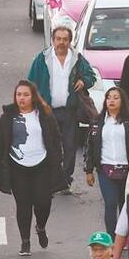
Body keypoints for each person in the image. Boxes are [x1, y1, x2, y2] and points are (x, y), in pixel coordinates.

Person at [0, 80, 66, 256]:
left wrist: (58, 158)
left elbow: (55, 138)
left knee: (43, 202)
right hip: (17, 167)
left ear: (32, 96)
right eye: (19, 95)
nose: (22, 98)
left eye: (25, 95)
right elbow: (0, 144)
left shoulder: (44, 115)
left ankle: (40, 227)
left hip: (41, 164)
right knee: (23, 205)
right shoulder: (7, 117)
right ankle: (25, 241)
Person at [28, 24, 97, 190]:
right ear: (52, 40)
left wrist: (83, 81)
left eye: (65, 39)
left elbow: (91, 76)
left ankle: (65, 179)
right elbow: (31, 83)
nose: (61, 42)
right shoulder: (41, 59)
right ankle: (52, 179)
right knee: (49, 146)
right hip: (47, 111)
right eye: (58, 39)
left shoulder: (77, 58)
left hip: (69, 111)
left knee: (70, 147)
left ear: (70, 41)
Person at [85, 87, 129, 236]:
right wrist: (89, 170)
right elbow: (90, 146)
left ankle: (125, 236)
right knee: (110, 204)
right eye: (109, 97)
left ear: (123, 101)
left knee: (126, 205)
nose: (111, 101)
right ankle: (111, 239)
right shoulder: (97, 122)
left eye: (115, 97)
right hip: (106, 169)